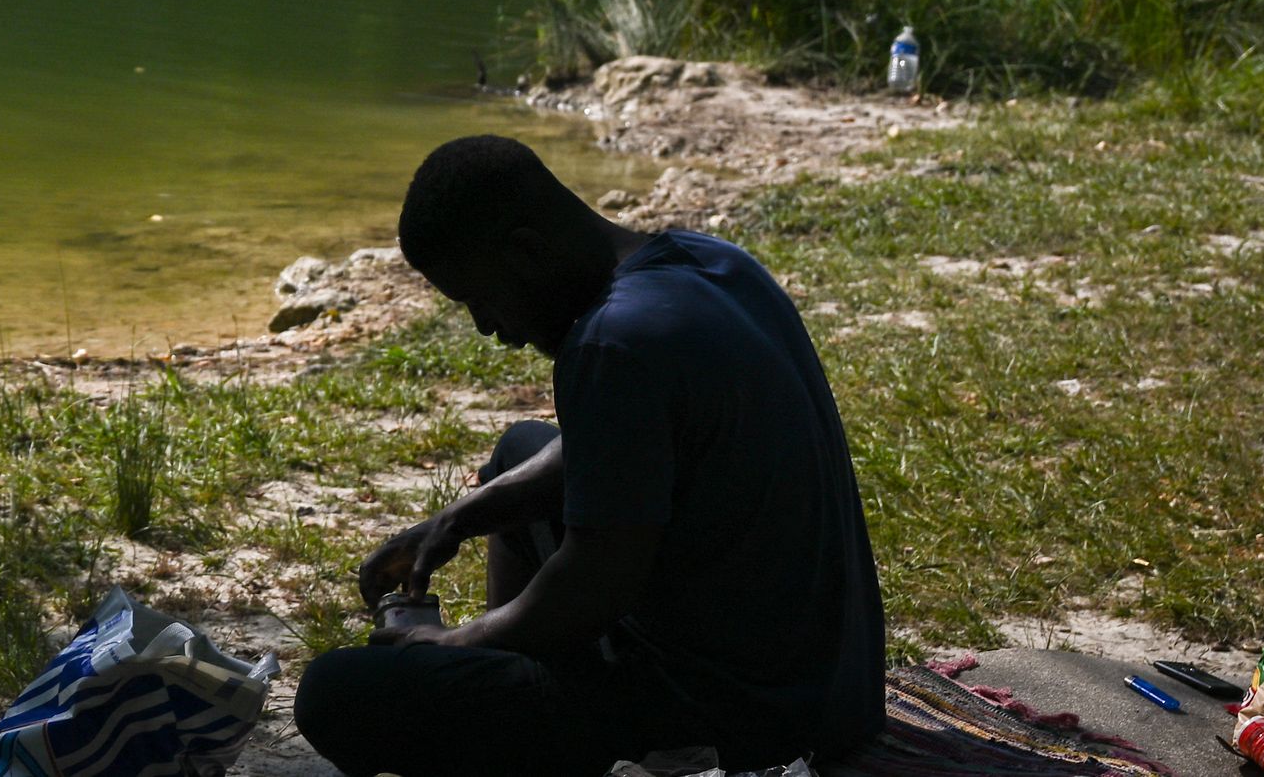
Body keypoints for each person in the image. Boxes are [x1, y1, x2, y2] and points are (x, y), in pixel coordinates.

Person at [296, 135, 886, 777]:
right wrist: (462, 516)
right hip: (835, 683)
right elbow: (610, 447)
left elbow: (594, 583)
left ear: (525, 251)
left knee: (336, 691)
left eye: (479, 300)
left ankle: (524, 716)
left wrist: (447, 641)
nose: (487, 329)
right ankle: (514, 675)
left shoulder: (612, 343)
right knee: (521, 451)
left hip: (738, 719)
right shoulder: (707, 261)